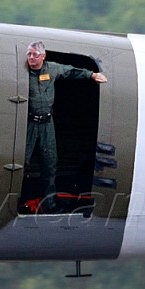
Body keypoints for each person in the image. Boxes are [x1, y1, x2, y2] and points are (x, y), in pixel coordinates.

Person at [24, 40, 107, 213]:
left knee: (50, 164)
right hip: (30, 123)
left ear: (43, 56)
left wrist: (91, 75)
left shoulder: (51, 69)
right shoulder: (23, 71)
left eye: (35, 55)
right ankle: (21, 200)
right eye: (29, 54)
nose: (31, 58)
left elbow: (71, 71)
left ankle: (49, 205)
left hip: (46, 124)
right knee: (22, 160)